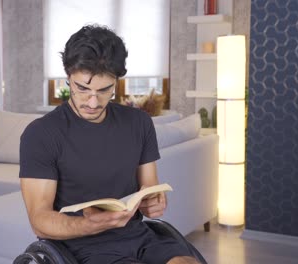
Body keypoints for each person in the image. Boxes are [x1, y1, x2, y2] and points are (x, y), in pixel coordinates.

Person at [19, 24, 199, 264]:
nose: (93, 101)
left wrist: (152, 203)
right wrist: (87, 224)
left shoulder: (139, 122)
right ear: (68, 78)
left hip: (139, 237)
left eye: (105, 90)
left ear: (116, 82)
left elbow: (148, 188)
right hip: (80, 248)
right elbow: (39, 219)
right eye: (82, 88)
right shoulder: (41, 134)